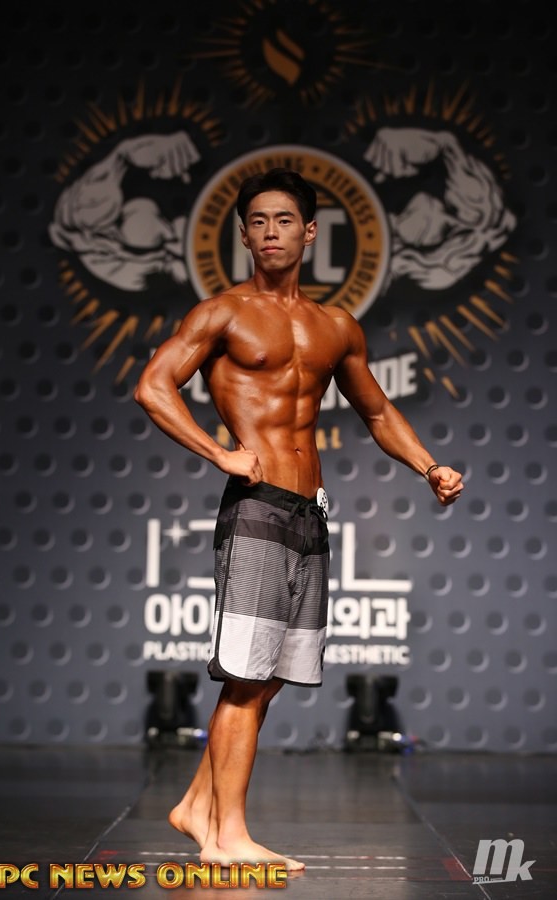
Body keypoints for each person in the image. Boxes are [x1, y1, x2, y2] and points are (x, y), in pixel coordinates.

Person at [134, 167, 464, 871]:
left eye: (284, 220)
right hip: (256, 508)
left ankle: (197, 806)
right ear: (244, 234)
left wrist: (428, 465)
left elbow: (377, 411)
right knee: (245, 677)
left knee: (273, 674)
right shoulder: (222, 313)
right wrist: (218, 452)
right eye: (257, 221)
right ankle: (226, 837)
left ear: (310, 232)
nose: (270, 232)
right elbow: (153, 386)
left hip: (309, 510)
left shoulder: (335, 326)